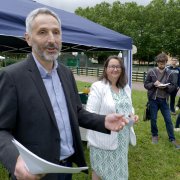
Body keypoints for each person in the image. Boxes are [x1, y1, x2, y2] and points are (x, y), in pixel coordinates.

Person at [0, 8, 129, 180]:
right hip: (33, 172)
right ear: (28, 38)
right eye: (42, 32)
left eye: (56, 32)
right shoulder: (11, 76)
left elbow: (76, 112)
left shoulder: (66, 73)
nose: (52, 40)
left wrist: (103, 120)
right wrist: (15, 161)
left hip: (66, 167)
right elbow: (2, 130)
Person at [86, 55, 139, 180]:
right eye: (112, 66)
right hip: (103, 137)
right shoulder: (98, 87)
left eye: (118, 66)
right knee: (98, 170)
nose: (115, 69)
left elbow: (128, 107)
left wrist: (132, 115)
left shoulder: (125, 87)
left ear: (122, 69)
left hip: (122, 137)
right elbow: (89, 113)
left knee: (119, 171)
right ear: (105, 69)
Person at [144, 52, 180, 149]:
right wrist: (154, 84)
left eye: (163, 63)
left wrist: (165, 87)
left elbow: (173, 86)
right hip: (153, 100)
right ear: (157, 63)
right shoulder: (151, 72)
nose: (161, 65)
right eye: (160, 63)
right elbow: (146, 84)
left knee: (168, 120)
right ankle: (154, 135)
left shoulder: (170, 73)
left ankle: (172, 138)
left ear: (165, 62)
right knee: (154, 119)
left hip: (164, 100)